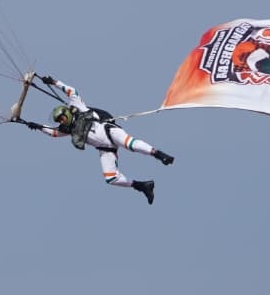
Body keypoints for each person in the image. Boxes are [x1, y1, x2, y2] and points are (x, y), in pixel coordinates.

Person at [19, 75, 174, 205]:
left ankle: (159, 155)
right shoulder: (66, 130)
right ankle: (142, 186)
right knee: (111, 178)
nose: (62, 121)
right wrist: (35, 126)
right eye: (59, 120)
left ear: (67, 112)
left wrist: (54, 82)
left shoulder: (78, 107)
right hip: (105, 148)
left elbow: (71, 91)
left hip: (109, 131)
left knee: (129, 143)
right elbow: (53, 133)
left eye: (62, 117)